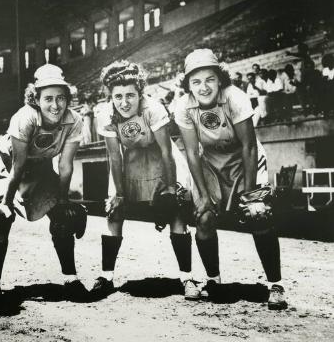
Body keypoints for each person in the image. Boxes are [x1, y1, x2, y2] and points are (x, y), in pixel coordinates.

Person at [174, 49, 287, 310]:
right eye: (196, 81)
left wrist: (249, 195)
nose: (203, 87)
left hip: (244, 159)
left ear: (220, 78)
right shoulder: (182, 105)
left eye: (209, 79)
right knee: (203, 217)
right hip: (211, 163)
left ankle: (276, 285)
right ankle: (213, 281)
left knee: (258, 214)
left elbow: (249, 146)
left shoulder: (235, 97)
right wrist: (202, 195)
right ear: (188, 85)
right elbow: (192, 152)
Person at [0, 64, 86, 313]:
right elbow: (17, 165)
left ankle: (71, 279)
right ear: (35, 98)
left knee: (61, 217)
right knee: (3, 218)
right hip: (7, 164)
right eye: (48, 98)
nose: (55, 105)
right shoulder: (24, 117)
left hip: (39, 166)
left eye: (61, 98)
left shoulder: (75, 120)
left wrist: (64, 201)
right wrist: (6, 200)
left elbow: (65, 165)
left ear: (68, 98)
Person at [92, 60, 203, 301]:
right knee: (114, 211)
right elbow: (114, 156)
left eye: (130, 95)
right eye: (118, 96)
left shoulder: (154, 108)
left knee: (177, 213)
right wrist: (119, 193)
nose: (124, 102)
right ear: (110, 95)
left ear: (140, 92)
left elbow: (166, 152)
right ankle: (106, 277)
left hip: (161, 162)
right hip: (129, 162)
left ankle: (187, 277)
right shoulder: (105, 114)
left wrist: (172, 190)